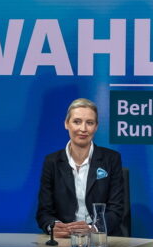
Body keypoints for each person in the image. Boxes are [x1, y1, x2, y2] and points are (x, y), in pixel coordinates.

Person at [36, 98, 125, 238]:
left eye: (89, 123)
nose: (83, 129)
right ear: (66, 124)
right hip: (64, 240)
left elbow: (117, 209)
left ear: (96, 127)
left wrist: (93, 228)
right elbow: (44, 212)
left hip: (102, 238)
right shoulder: (51, 161)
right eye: (77, 122)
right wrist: (53, 226)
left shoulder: (111, 159)